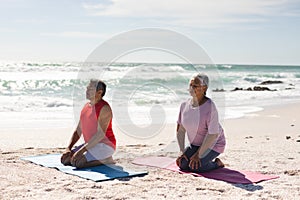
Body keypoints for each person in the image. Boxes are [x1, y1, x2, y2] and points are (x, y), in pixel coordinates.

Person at [61, 79, 116, 168]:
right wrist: (69, 148)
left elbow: (100, 135)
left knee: (78, 163)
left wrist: (81, 151)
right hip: (91, 144)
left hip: (105, 145)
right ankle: (96, 158)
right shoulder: (86, 106)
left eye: (90, 89)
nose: (86, 91)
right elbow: (78, 130)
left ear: (99, 92)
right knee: (66, 160)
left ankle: (107, 160)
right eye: (87, 88)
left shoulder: (104, 109)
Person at [176, 73, 226, 172]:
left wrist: (198, 155)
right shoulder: (184, 105)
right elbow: (180, 130)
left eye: (195, 86)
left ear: (204, 88)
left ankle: (217, 163)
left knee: (197, 167)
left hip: (214, 144)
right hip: (195, 144)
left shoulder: (210, 107)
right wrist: (182, 151)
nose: (191, 88)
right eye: (190, 85)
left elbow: (213, 135)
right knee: (183, 164)